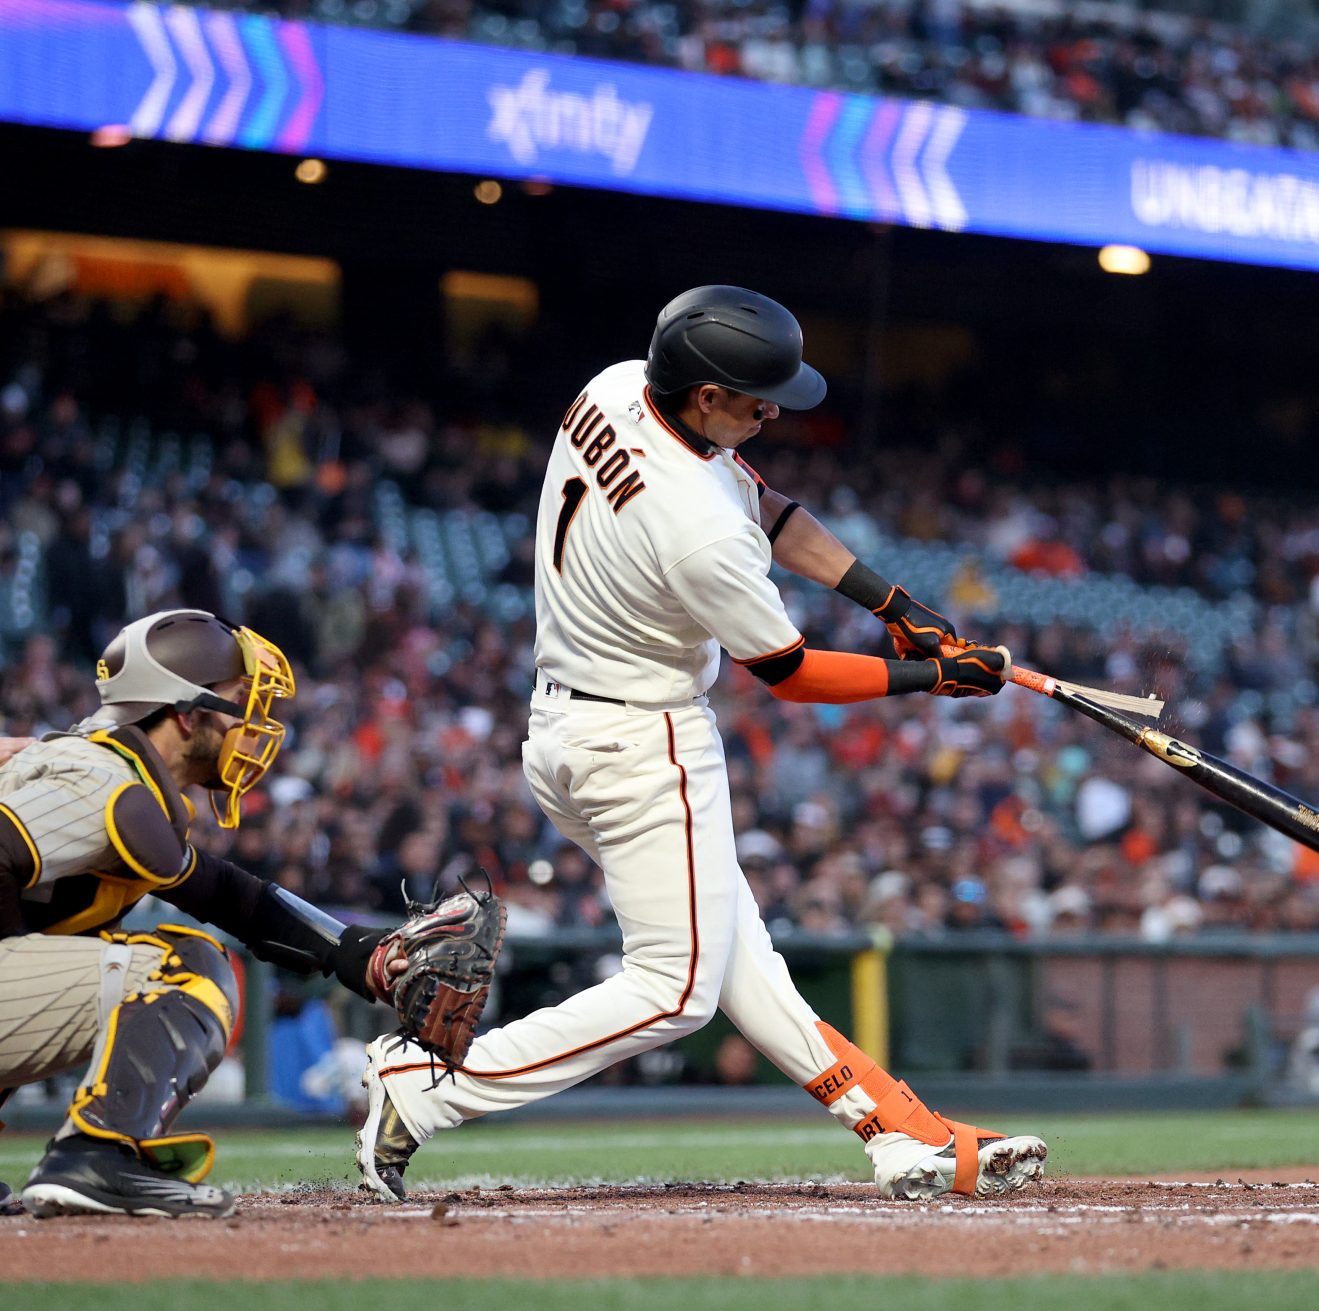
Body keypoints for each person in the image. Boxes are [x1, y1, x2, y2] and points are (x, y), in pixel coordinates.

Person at [359, 286, 1048, 1202]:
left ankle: (896, 1131)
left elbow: (770, 506)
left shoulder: (615, 387)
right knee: (678, 988)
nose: (772, 410)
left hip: (567, 727)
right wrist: (934, 678)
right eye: (753, 396)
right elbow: (792, 672)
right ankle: (433, 1086)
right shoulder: (697, 531)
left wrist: (894, 605)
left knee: (734, 956)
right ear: (702, 392)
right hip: (644, 741)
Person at [0, 610, 407, 1217]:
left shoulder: (124, 781)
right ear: (186, 715)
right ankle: (99, 1155)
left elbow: (224, 894)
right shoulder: (97, 775)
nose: (255, 723)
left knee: (107, 950)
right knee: (183, 968)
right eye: (239, 701)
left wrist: (351, 950)